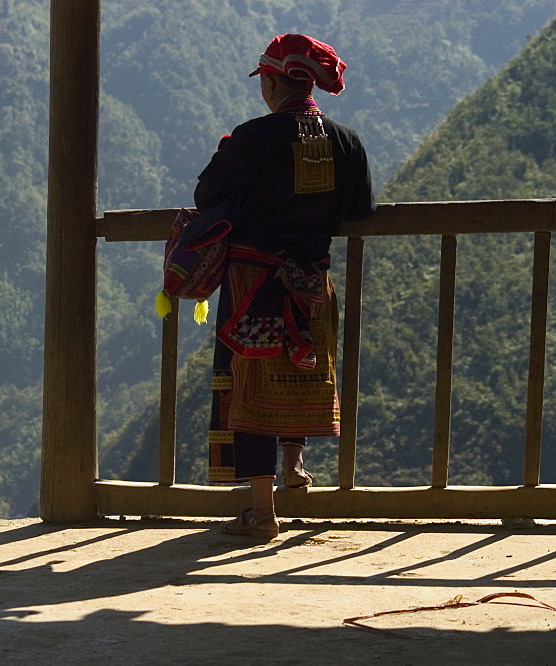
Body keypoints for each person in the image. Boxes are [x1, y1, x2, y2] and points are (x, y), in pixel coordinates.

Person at [195, 34, 376, 539]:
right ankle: (294, 467)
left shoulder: (250, 139)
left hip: (253, 281)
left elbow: (207, 193)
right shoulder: (345, 140)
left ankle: (262, 511)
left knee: (251, 386)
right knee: (302, 369)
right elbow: (360, 210)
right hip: (310, 280)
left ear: (272, 82)